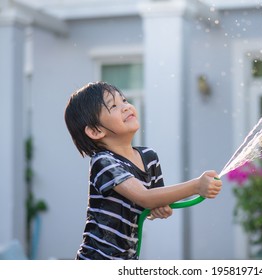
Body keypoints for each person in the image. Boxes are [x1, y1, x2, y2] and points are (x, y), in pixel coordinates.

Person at [64, 81, 222, 260]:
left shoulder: (149, 157)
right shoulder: (103, 162)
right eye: (113, 105)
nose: (125, 107)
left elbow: (156, 201)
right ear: (95, 131)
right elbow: (144, 198)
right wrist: (196, 186)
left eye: (124, 100)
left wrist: (161, 209)